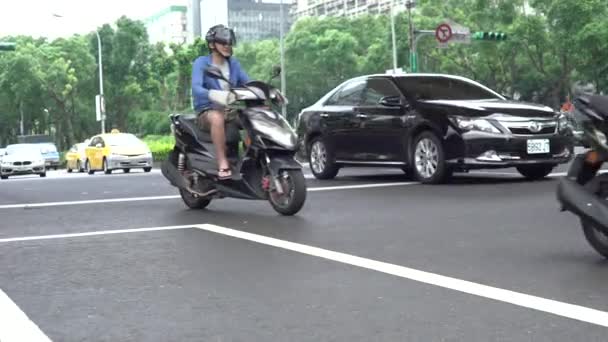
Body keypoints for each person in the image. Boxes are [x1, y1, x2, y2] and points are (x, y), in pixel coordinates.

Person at [191, 24, 249, 179]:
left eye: (229, 43)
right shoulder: (202, 63)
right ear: (212, 44)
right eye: (223, 43)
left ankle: (254, 158)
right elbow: (196, 88)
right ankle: (222, 162)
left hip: (231, 110)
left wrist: (267, 91)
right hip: (207, 112)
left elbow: (248, 83)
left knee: (253, 116)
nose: (227, 46)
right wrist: (214, 94)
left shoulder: (233, 64)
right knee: (217, 117)